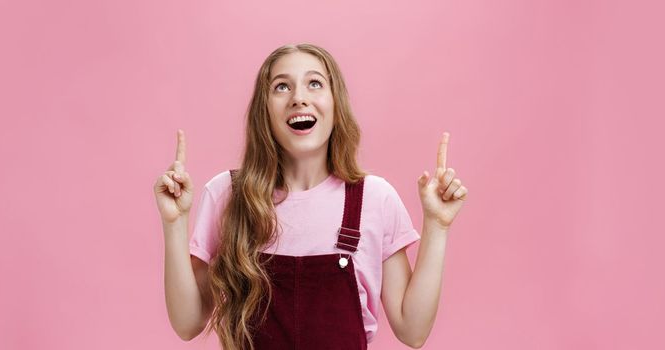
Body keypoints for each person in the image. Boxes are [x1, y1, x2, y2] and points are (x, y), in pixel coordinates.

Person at [154, 43, 468, 350]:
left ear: (335, 103)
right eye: (281, 87)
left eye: (314, 83)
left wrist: (437, 226)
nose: (299, 98)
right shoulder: (228, 194)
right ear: (264, 109)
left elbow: (412, 331)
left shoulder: (375, 198)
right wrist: (174, 221)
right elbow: (187, 323)